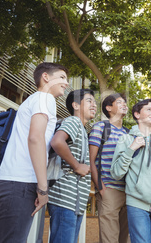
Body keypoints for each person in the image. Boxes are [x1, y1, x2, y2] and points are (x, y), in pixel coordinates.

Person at [0, 62, 68, 243]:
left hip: (14, 183)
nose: (66, 83)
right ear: (46, 77)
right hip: (21, 183)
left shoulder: (34, 99)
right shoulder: (45, 98)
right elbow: (36, 138)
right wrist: (43, 189)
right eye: (62, 77)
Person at [111, 99, 151, 243]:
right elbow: (116, 173)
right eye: (149, 109)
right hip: (136, 203)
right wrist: (131, 149)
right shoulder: (126, 140)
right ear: (137, 114)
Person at [47, 89, 97, 243]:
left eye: (95, 102)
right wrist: (76, 166)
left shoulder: (82, 129)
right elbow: (57, 142)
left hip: (75, 201)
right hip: (64, 199)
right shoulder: (73, 121)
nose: (94, 105)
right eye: (89, 101)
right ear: (75, 105)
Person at [88, 93, 130, 243]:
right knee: (109, 239)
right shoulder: (101, 127)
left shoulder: (128, 132)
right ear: (109, 108)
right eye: (119, 102)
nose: (124, 104)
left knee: (125, 239)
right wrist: (101, 189)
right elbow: (90, 160)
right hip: (109, 190)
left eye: (125, 103)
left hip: (129, 191)